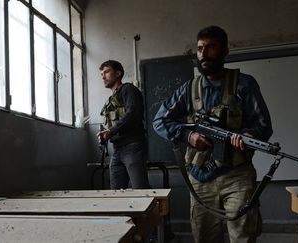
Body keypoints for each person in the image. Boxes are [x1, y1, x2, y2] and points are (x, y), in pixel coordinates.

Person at [152, 26, 273, 243]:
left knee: (243, 237)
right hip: (200, 177)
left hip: (237, 176)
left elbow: (263, 125)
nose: (204, 54)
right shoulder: (189, 89)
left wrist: (247, 135)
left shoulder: (244, 84)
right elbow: (159, 121)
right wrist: (188, 137)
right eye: (200, 49)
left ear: (225, 51)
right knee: (204, 238)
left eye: (211, 47)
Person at [98, 60, 150, 189]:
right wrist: (105, 134)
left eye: (107, 72)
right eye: (101, 74)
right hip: (117, 149)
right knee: (116, 193)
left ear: (118, 73)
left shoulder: (128, 89)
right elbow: (115, 122)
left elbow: (133, 113)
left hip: (132, 146)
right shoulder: (111, 100)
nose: (103, 76)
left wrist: (112, 131)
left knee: (140, 190)